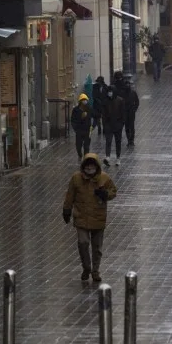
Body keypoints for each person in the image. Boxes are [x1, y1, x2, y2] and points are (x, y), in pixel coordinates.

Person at [63, 153, 117, 282]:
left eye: (92, 166)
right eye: (87, 166)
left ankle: (95, 271)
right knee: (83, 243)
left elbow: (113, 191)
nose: (89, 168)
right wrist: (67, 210)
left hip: (98, 217)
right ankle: (86, 267)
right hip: (81, 217)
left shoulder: (104, 178)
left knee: (97, 247)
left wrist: (105, 194)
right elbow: (70, 195)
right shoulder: (76, 178)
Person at [101, 85, 126, 166]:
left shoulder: (120, 100)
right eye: (108, 91)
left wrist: (121, 124)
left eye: (111, 91)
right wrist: (104, 124)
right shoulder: (105, 101)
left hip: (118, 124)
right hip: (108, 124)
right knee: (108, 141)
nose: (109, 93)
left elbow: (123, 114)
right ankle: (107, 157)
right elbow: (103, 114)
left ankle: (118, 158)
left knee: (118, 142)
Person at [114, 77, 140, 147]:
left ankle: (132, 140)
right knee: (127, 127)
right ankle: (129, 140)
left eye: (128, 84)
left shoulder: (133, 93)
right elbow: (119, 103)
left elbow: (137, 101)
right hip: (125, 112)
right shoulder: (122, 93)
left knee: (132, 126)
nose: (128, 86)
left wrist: (134, 109)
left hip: (131, 112)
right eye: (126, 85)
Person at [70, 94, 93, 161]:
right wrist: (76, 128)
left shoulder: (89, 109)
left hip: (87, 130)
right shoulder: (76, 110)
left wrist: (92, 126)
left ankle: (86, 158)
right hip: (79, 130)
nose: (84, 101)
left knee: (86, 146)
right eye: (83, 100)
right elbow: (73, 120)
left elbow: (94, 117)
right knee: (78, 146)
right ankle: (80, 154)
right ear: (80, 101)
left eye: (85, 100)